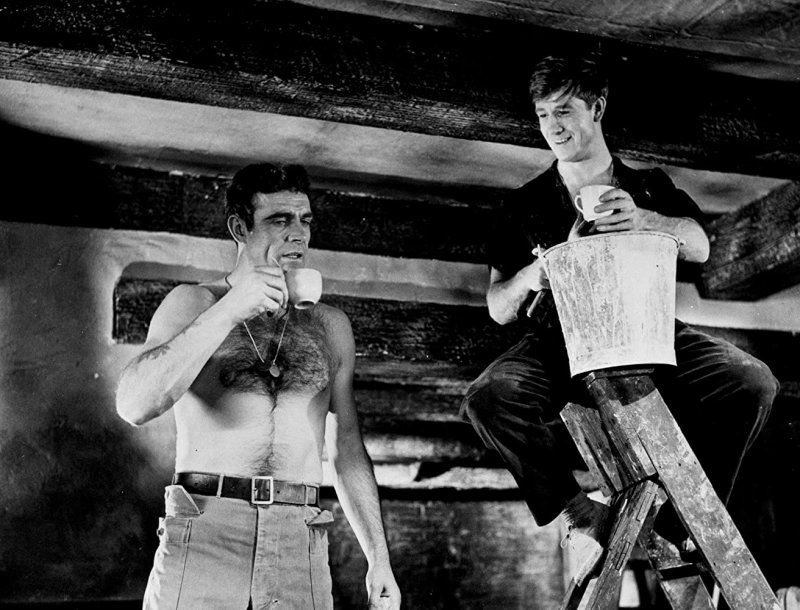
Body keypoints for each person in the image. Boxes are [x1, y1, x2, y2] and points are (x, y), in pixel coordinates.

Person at [460, 53, 778, 586]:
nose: (553, 127)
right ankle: (576, 513)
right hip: (560, 345)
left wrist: (643, 219)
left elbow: (700, 245)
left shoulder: (646, 184)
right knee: (489, 396)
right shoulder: (523, 205)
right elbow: (498, 306)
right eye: (543, 115)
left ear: (598, 108)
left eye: (565, 110)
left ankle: (690, 513)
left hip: (647, 336)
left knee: (752, 382)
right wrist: (538, 272)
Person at [116, 163, 401, 609]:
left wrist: (378, 557)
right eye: (279, 220)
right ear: (239, 228)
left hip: (299, 537)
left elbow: (346, 445)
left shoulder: (330, 326)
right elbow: (134, 405)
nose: (298, 235)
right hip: (207, 528)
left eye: (305, 220)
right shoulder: (194, 302)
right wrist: (230, 309)